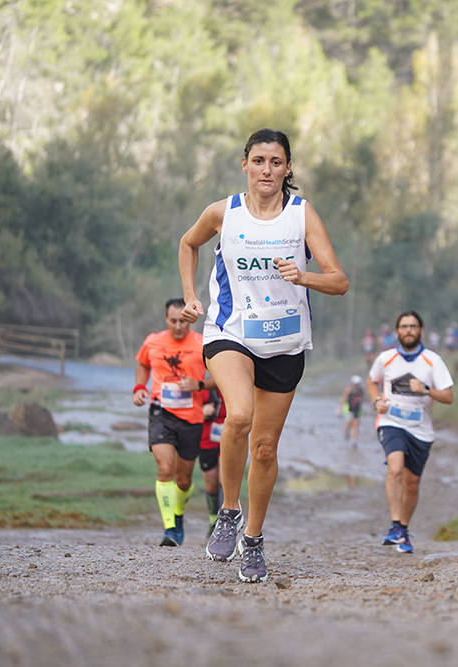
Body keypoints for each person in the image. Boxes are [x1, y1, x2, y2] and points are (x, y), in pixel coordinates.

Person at [179, 128, 348, 582]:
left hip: (285, 343)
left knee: (266, 448)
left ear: (288, 168)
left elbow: (339, 280)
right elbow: (187, 244)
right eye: (258, 161)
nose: (267, 170)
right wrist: (190, 297)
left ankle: (252, 539)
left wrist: (304, 277)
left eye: (276, 162)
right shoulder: (223, 213)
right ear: (245, 165)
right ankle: (228, 512)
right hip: (229, 332)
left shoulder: (302, 215)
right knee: (239, 415)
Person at [366, 310, 454, 554]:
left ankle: (403, 529)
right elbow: (372, 381)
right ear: (397, 331)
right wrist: (376, 402)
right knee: (395, 469)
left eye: (413, 326)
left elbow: (448, 396)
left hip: (421, 429)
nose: (408, 330)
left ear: (421, 331)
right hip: (390, 422)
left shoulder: (432, 361)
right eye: (404, 326)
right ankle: (395, 526)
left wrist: (426, 389)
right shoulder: (385, 358)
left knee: (412, 483)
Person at [132, 297, 215, 547]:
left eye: (183, 321)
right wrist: (139, 387)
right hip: (161, 412)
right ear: (166, 319)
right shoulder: (153, 341)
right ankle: (171, 529)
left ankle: (177, 515)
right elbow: (142, 365)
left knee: (183, 480)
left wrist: (198, 385)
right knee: (164, 468)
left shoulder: (203, 344)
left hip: (192, 418)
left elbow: (223, 376)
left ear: (190, 319)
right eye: (174, 321)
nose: (179, 326)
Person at [198, 387, 226, 536]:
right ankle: (213, 518)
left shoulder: (235, 382)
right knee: (211, 483)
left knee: (225, 480)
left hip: (229, 437)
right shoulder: (202, 385)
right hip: (206, 439)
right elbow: (187, 410)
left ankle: (225, 522)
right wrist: (201, 411)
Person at [338, 375, 365, 447]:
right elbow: (344, 399)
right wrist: (339, 409)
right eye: (356, 384)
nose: (357, 385)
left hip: (357, 409)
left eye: (358, 384)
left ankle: (354, 441)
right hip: (348, 409)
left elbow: (364, 399)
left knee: (356, 424)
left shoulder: (361, 390)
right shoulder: (348, 389)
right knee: (349, 423)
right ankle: (346, 432)